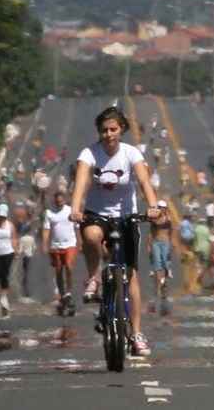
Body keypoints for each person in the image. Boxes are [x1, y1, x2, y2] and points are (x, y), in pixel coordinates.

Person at [69, 106, 160, 356]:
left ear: (122, 130)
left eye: (113, 129)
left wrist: (152, 206)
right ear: (99, 131)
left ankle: (137, 334)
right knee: (91, 236)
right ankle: (94, 277)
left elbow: (143, 181)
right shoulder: (89, 153)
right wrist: (76, 209)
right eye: (104, 130)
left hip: (126, 216)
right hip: (97, 215)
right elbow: (80, 182)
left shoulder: (131, 153)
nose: (109, 134)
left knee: (130, 275)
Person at [42, 191, 79, 316]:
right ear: (55, 201)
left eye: (61, 201)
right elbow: (46, 229)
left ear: (64, 200)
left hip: (70, 244)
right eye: (57, 201)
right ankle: (62, 294)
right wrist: (44, 244)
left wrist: (81, 242)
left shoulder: (70, 211)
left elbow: (77, 228)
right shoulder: (49, 213)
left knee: (68, 266)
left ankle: (68, 292)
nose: (59, 203)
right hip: (55, 246)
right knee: (58, 270)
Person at [147, 200, 173, 307]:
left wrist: (172, 244)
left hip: (165, 243)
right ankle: (159, 287)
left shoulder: (168, 218)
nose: (161, 209)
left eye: (163, 207)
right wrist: (148, 245)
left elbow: (171, 232)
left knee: (165, 265)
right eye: (160, 207)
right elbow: (151, 233)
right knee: (157, 265)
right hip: (156, 243)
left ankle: (164, 283)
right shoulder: (154, 220)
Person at [12, 202, 35, 299]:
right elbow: (33, 248)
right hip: (27, 255)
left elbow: (19, 249)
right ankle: (24, 287)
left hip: (22, 251)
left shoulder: (23, 229)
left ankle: (20, 287)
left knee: (17, 271)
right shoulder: (30, 237)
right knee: (25, 271)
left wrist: (16, 253)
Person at [192, 218, 212, 291]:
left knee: (199, 264)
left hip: (198, 248)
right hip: (206, 248)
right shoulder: (207, 229)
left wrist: (193, 247)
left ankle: (199, 275)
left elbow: (194, 239)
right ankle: (201, 276)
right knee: (205, 264)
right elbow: (209, 239)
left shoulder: (196, 229)